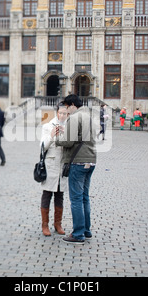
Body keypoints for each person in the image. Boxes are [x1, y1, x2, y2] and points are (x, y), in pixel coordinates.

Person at [56, 94, 97, 245]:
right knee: (85, 197)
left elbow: (68, 141)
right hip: (91, 160)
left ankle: (78, 233)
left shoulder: (75, 118)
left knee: (76, 199)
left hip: (78, 161)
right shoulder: (89, 116)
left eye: (67, 107)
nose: (66, 110)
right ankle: (86, 230)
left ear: (72, 104)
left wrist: (57, 139)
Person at [39, 102, 69, 236]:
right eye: (60, 113)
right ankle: (44, 225)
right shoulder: (47, 126)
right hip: (50, 165)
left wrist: (66, 135)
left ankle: (58, 223)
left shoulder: (69, 126)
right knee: (47, 195)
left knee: (59, 195)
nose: (62, 115)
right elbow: (42, 147)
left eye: (65, 113)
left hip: (62, 165)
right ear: (57, 113)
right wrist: (51, 135)